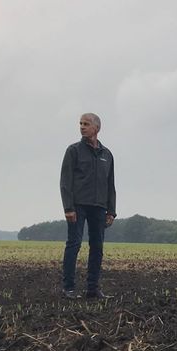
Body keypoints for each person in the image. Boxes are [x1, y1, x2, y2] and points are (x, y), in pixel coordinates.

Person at [59, 112, 116, 299]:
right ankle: (68, 288)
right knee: (74, 244)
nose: (82, 126)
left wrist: (111, 211)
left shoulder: (107, 155)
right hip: (78, 206)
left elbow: (110, 184)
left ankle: (93, 289)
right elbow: (65, 181)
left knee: (97, 247)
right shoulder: (73, 150)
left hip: (99, 207)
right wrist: (68, 207)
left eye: (86, 123)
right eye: (80, 123)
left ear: (96, 128)